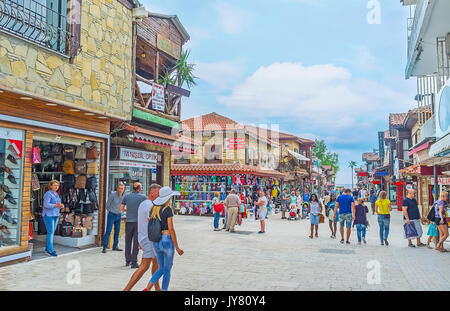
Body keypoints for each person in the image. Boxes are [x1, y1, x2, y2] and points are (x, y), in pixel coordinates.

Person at [123, 184, 162, 291]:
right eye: (158, 193)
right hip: (149, 239)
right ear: (152, 193)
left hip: (145, 237)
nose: (160, 195)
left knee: (156, 263)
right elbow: (152, 223)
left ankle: (157, 288)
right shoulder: (150, 205)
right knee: (145, 266)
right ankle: (126, 289)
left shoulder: (144, 203)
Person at [144, 186, 183, 291]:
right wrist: (177, 247)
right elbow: (171, 229)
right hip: (166, 240)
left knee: (161, 268)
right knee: (167, 270)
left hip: (156, 240)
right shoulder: (168, 210)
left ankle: (147, 288)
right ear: (168, 198)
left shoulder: (153, 209)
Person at [121, 182, 147, 268]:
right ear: (139, 189)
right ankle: (134, 262)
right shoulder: (143, 197)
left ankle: (127, 260)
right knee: (136, 242)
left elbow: (121, 208)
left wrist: (128, 211)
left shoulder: (127, 196)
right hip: (138, 222)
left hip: (128, 221)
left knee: (128, 241)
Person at [43, 180, 64, 257]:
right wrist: (56, 205)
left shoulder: (56, 194)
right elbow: (46, 205)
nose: (56, 187)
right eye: (54, 185)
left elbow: (57, 204)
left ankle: (48, 248)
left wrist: (61, 205)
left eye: (57, 185)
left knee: (51, 232)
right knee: (50, 232)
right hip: (48, 215)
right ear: (50, 186)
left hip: (55, 215)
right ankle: (50, 250)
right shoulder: (48, 194)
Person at [102, 182, 125, 253]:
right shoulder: (112, 195)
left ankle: (115, 246)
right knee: (108, 231)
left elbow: (124, 205)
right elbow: (107, 205)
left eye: (122, 189)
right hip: (112, 215)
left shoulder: (125, 196)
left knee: (117, 232)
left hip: (119, 215)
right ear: (117, 188)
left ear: (123, 189)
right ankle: (104, 247)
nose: (120, 190)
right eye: (119, 188)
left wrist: (122, 211)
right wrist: (112, 211)